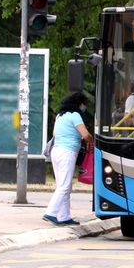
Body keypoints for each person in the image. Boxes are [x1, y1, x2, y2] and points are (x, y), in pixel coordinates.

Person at [44, 92, 92, 226]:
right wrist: (91, 140)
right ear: (79, 104)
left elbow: (55, 134)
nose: (84, 107)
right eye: (83, 104)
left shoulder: (60, 115)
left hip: (56, 151)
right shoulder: (75, 115)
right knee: (65, 186)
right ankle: (50, 213)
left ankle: (64, 216)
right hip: (67, 152)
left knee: (63, 185)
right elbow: (86, 135)